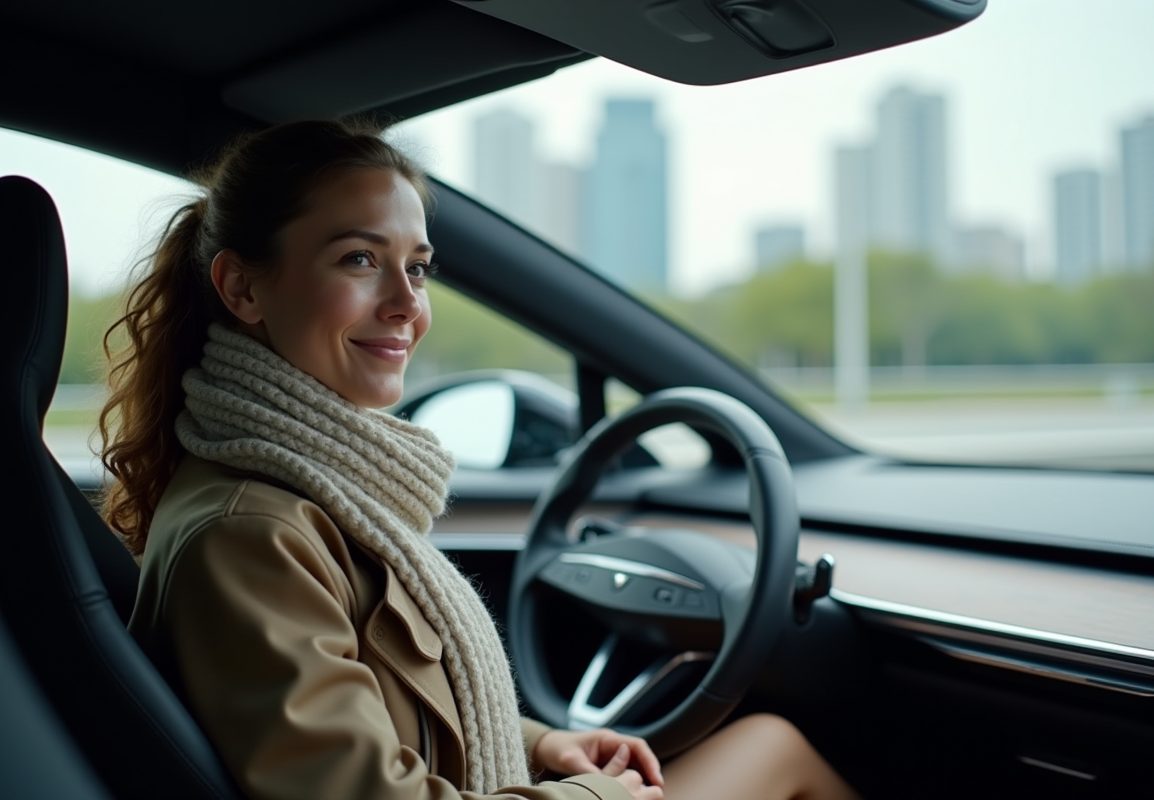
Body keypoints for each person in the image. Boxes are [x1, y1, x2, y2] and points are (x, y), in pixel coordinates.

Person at [104, 120, 860, 800]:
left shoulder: (316, 489)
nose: (407, 303)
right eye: (361, 258)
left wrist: (542, 746)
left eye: (419, 267)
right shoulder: (250, 533)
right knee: (776, 751)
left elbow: (392, 720)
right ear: (242, 287)